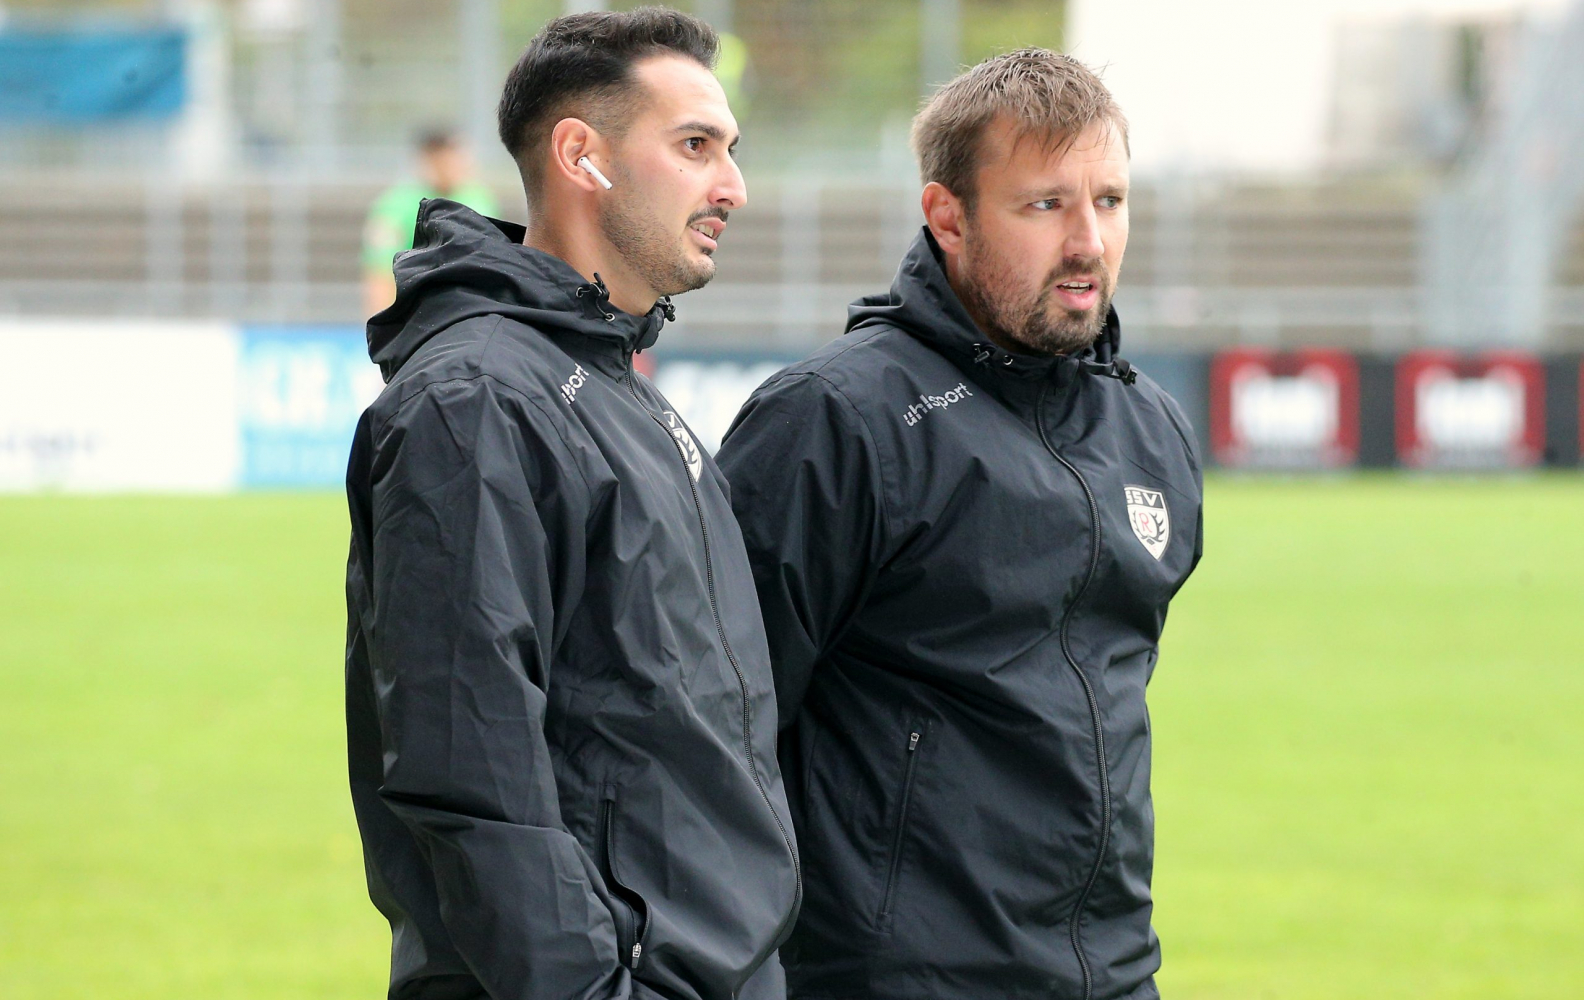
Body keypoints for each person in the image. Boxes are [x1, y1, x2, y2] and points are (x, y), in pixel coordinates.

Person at [716, 49, 1204, 1000]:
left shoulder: (1151, 431)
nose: (1088, 242)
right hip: (896, 979)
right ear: (947, 216)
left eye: (1109, 200)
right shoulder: (835, 421)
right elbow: (714, 729)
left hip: (1112, 975)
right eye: (1043, 204)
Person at [344, 10, 799, 1000]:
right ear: (582, 156)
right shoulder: (473, 402)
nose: (733, 186)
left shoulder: (618, 388)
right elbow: (468, 771)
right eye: (695, 146)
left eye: (731, 150)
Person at [361, 128, 499, 316]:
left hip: (471, 313)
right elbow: (381, 273)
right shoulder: (396, 206)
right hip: (418, 315)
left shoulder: (479, 199)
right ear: (431, 158)